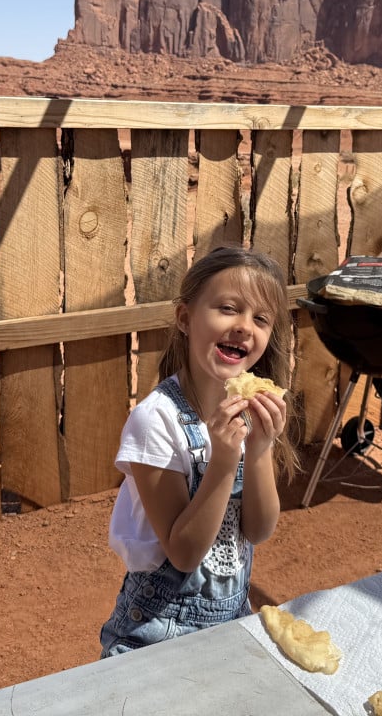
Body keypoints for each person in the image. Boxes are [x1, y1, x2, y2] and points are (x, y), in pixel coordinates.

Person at [99, 245, 299, 657]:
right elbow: (185, 552)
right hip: (155, 635)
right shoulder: (156, 421)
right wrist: (225, 461)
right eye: (228, 308)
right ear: (186, 318)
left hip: (231, 624)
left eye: (260, 319)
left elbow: (258, 531)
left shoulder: (250, 412)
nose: (245, 326)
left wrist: (259, 449)